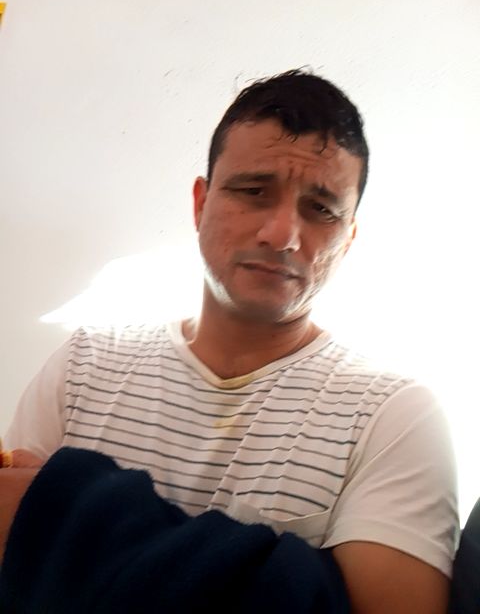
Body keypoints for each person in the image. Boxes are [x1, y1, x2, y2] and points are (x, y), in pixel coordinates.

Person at [2, 69, 458, 613]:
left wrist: (66, 520)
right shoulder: (82, 364)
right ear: (200, 203)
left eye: (321, 209)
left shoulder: (393, 416)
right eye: (253, 192)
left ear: (349, 237)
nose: (282, 234)